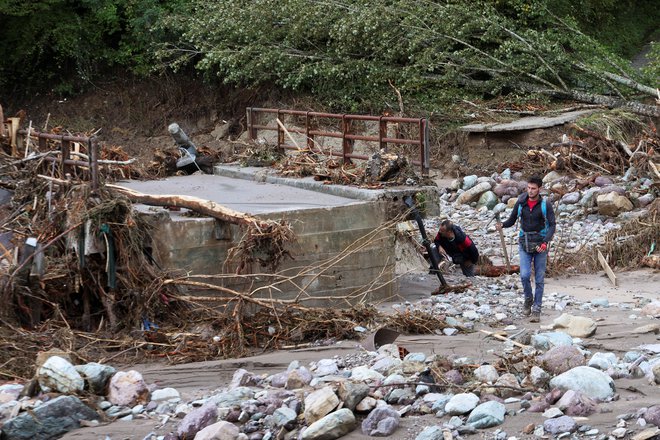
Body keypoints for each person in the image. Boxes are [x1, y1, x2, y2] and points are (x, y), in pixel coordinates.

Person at [496, 176, 556, 322]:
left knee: (540, 279)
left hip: (540, 244)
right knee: (524, 275)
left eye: (533, 188)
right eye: (528, 188)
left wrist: (545, 242)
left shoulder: (545, 205)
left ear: (539, 189)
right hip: (524, 242)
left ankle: (537, 309)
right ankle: (528, 299)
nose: (530, 191)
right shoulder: (521, 203)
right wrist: (502, 225)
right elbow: (512, 220)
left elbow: (552, 225)